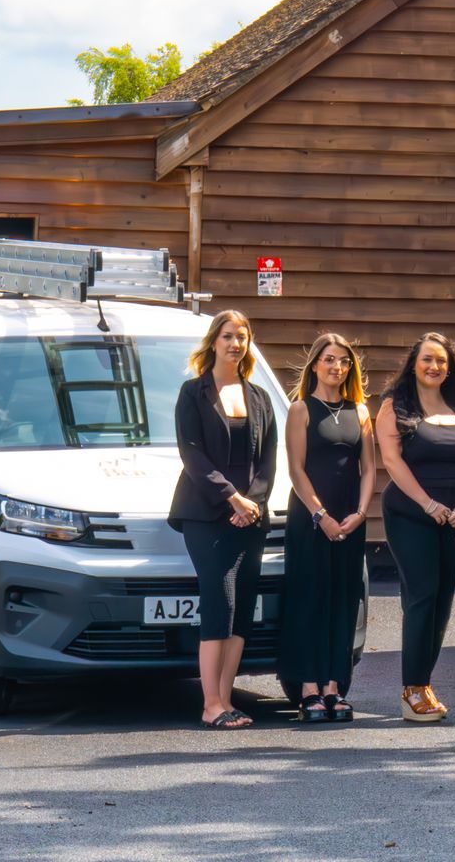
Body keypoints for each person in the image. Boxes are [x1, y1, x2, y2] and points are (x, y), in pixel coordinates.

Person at [169, 310, 278, 730]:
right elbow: (191, 454)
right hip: (205, 513)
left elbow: (268, 461)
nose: (236, 344)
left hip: (249, 517)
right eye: (228, 336)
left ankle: (226, 699)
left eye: (243, 337)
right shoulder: (191, 393)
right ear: (214, 341)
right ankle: (210, 703)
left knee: (242, 609)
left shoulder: (260, 398)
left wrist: (252, 501)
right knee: (220, 604)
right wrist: (231, 498)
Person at [376, 332, 455, 723]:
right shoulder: (395, 406)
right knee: (422, 596)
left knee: (442, 602)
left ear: (450, 366)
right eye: (426, 359)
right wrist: (429, 504)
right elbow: (392, 461)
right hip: (411, 512)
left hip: (454, 515)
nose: (434, 367)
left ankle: (424, 685)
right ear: (413, 363)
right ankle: (411, 690)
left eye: (441, 361)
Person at [281, 334, 376, 725]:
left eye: (343, 361)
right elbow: (295, 469)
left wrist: (359, 512)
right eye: (329, 359)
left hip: (350, 521)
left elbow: (369, 469)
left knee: (343, 600)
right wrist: (321, 516)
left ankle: (335, 687)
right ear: (315, 364)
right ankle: (308, 688)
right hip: (310, 519)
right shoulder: (301, 409)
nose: (337, 367)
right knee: (309, 600)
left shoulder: (361, 411)